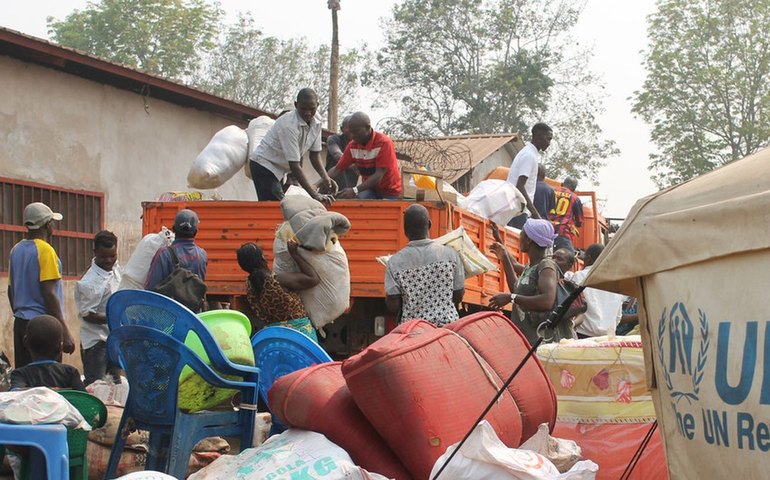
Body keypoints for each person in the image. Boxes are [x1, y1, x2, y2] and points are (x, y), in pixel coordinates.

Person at [7, 202, 75, 368]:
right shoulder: (46, 250)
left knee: (26, 379)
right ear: (48, 224)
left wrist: (20, 314)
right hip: (44, 326)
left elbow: (11, 291)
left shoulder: (16, 250)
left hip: (21, 323)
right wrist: (64, 331)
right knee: (48, 382)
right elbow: (49, 293)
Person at [249, 88, 336, 203]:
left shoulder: (317, 121)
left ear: (317, 105)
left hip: (278, 169)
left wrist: (325, 178)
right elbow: (294, 165)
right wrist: (315, 195)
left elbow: (314, 155)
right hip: (263, 166)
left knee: (280, 206)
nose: (308, 113)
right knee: (275, 208)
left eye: (312, 108)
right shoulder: (289, 126)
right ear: (296, 105)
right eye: (303, 108)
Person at [489, 218, 566, 345]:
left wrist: (511, 298)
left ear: (529, 240)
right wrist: (500, 243)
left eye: (521, 234)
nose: (519, 237)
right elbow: (516, 286)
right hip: (527, 340)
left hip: (539, 344)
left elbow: (547, 301)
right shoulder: (531, 268)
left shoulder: (546, 266)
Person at [384, 204, 464, 326]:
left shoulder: (394, 262)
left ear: (405, 229)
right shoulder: (451, 255)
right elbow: (458, 295)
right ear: (429, 225)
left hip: (413, 329)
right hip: (447, 328)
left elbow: (393, 306)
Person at [236, 240, 320, 342]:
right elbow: (313, 279)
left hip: (274, 338)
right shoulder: (278, 280)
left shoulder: (250, 286)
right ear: (262, 258)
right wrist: (295, 254)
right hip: (298, 336)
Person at [75, 230, 122, 386]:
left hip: (113, 339)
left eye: (112, 255)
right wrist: (114, 317)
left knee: (115, 385)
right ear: (95, 252)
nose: (109, 260)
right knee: (96, 387)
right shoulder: (89, 282)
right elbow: (87, 314)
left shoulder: (115, 268)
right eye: (104, 257)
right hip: (96, 343)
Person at [325, 112, 402, 200]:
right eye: (351, 132)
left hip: (390, 192)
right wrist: (316, 185)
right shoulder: (353, 145)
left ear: (368, 127)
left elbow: (379, 174)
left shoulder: (384, 143)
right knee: (360, 203)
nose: (353, 136)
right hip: (369, 189)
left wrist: (354, 190)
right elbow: (337, 169)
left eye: (356, 132)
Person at [144, 209, 208, 309]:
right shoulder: (202, 255)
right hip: (192, 316)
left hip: (168, 314)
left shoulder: (164, 254)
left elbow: (150, 289)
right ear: (196, 231)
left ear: (173, 229)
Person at [9, 315, 85, 391]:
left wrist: (44, 391)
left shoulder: (20, 374)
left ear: (25, 343)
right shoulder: (70, 372)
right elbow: (85, 398)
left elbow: (16, 392)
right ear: (60, 347)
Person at [570, 243, 624, 338]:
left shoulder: (579, 277)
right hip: (608, 338)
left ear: (588, 258)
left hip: (582, 335)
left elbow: (572, 307)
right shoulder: (616, 282)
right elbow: (618, 316)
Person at [507, 123, 553, 228]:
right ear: (538, 136)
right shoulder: (529, 155)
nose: (549, 143)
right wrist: (536, 215)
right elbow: (520, 186)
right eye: (548, 139)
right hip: (518, 210)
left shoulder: (528, 153)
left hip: (517, 209)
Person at [549, 177, 583, 252]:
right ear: (574, 188)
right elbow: (579, 221)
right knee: (569, 258)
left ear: (562, 184)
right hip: (562, 233)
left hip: (546, 230)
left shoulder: (551, 191)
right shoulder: (575, 198)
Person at [325, 115, 358, 190]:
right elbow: (337, 155)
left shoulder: (359, 144)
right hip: (330, 187)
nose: (352, 130)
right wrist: (356, 164)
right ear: (342, 129)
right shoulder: (334, 139)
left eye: (354, 128)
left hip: (349, 190)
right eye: (348, 127)